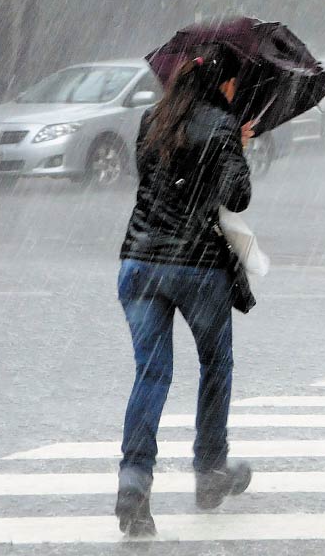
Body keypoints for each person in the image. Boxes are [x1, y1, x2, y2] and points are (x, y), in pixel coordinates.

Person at [115, 43, 255, 536]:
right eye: (235, 84)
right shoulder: (222, 125)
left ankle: (134, 482)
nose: (235, 92)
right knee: (215, 364)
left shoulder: (151, 120)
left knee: (151, 374)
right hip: (196, 267)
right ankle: (210, 470)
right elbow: (237, 195)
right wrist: (236, 146)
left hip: (139, 262)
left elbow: (155, 181)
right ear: (223, 84)